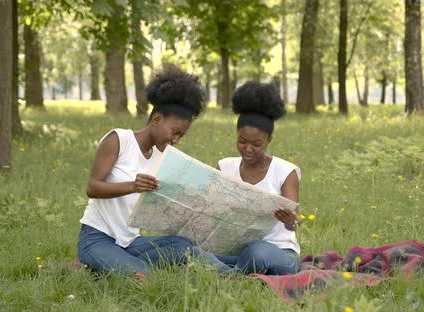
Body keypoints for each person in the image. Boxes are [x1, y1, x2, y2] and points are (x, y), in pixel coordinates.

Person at [78, 66, 231, 276]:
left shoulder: (162, 158)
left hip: (132, 242)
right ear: (157, 119)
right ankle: (101, 262)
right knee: (143, 276)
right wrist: (133, 186)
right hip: (96, 238)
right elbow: (92, 188)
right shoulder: (119, 140)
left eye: (181, 136)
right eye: (174, 132)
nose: (176, 141)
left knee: (184, 246)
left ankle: (236, 277)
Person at [216, 81, 302, 275]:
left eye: (256, 144)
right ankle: (237, 271)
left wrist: (290, 220)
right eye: (242, 141)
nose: (248, 149)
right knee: (188, 249)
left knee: (258, 252)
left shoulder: (285, 171)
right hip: (234, 250)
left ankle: (228, 275)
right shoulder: (224, 166)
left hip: (278, 252)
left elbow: (295, 223)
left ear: (268, 140)